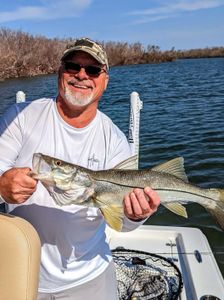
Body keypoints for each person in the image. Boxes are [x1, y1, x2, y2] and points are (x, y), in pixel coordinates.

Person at [0, 37, 160, 300]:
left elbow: (123, 226)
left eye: (93, 70)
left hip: (89, 276)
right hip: (19, 270)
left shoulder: (114, 139)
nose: (81, 75)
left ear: (105, 80)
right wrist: (1, 187)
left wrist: (137, 215)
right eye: (72, 66)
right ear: (60, 72)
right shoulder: (21, 117)